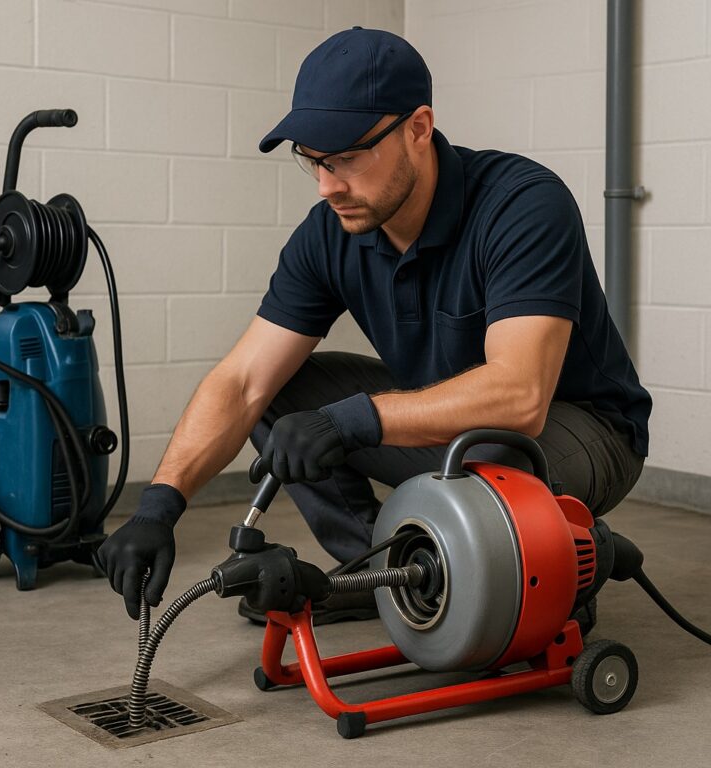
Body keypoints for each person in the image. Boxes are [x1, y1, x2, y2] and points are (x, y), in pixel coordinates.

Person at [97, 28, 651, 626]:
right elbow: (241, 382)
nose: (327, 185)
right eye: (312, 160)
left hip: (582, 427)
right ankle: (377, 574)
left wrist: (353, 420)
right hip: (455, 431)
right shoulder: (329, 231)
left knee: (484, 453)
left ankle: (549, 558)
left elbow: (519, 396)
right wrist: (158, 506)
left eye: (347, 157)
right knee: (280, 394)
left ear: (417, 128)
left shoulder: (523, 205)